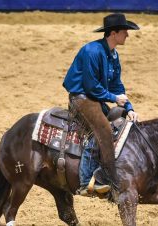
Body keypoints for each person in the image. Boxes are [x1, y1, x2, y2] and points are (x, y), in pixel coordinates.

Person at [63, 13, 139, 196]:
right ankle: (85, 182)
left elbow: (117, 85)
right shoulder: (92, 51)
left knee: (121, 119)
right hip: (81, 97)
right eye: (125, 31)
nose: (127, 35)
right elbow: (91, 86)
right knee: (103, 129)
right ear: (113, 33)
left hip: (94, 97)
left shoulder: (113, 54)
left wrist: (128, 108)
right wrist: (113, 98)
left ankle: (108, 170)